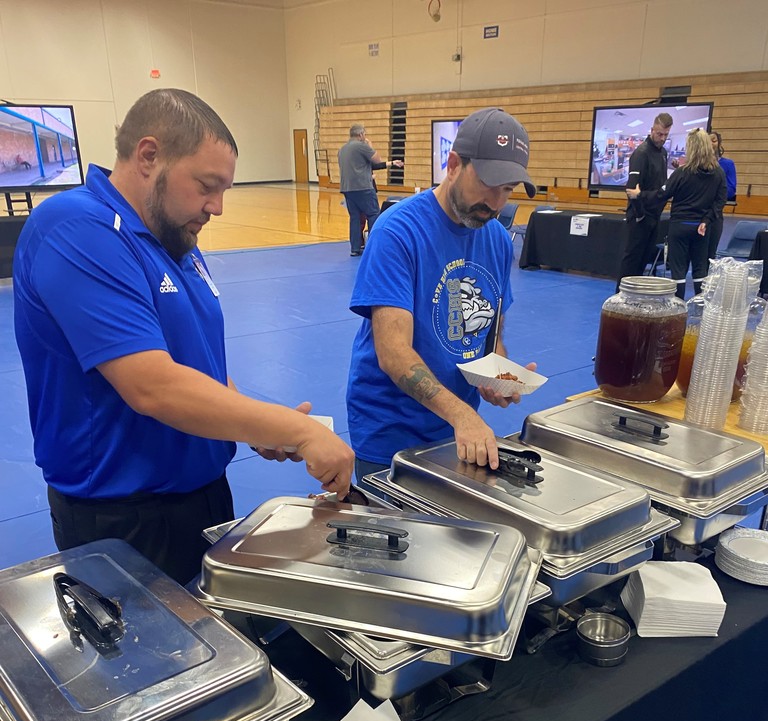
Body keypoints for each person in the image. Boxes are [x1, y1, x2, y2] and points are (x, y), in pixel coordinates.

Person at [13, 88, 353, 585]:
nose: (215, 207)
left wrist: (260, 425)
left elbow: (197, 362)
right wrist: (298, 431)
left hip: (203, 495)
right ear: (149, 156)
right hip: (125, 519)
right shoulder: (77, 228)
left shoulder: (174, 235)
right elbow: (154, 386)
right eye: (206, 186)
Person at [345, 106, 537, 483]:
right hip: (390, 436)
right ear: (452, 165)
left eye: (508, 190)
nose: (497, 203)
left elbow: (492, 338)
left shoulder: (497, 239)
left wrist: (498, 376)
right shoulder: (398, 231)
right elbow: (393, 353)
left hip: (454, 433)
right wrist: (463, 414)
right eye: (488, 184)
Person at [629, 127, 726, 301]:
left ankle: (678, 308)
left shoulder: (682, 173)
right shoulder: (718, 173)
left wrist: (639, 195)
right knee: (700, 270)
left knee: (678, 271)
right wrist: (707, 220)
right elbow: (720, 202)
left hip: (680, 226)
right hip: (701, 228)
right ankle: (700, 308)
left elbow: (661, 194)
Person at [616, 113, 673, 285]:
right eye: (659, 134)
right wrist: (640, 214)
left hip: (655, 215)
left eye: (665, 135)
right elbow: (632, 190)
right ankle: (621, 296)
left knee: (644, 260)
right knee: (632, 260)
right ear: (652, 130)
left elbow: (661, 184)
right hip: (639, 216)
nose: (662, 138)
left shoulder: (663, 152)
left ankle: (634, 296)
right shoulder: (641, 153)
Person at [338, 124, 403, 257]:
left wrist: (390, 163)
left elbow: (369, 165)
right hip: (363, 187)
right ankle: (375, 246)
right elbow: (376, 159)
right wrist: (369, 145)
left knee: (355, 218)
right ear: (361, 135)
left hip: (347, 188)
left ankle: (355, 248)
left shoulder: (342, 149)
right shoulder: (362, 146)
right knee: (373, 214)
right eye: (364, 135)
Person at [707, 131, 737, 261]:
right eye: (708, 141)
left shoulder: (728, 164)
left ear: (719, 143)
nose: (711, 144)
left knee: (710, 254)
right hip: (696, 213)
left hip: (715, 214)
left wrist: (714, 191)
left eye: (714, 140)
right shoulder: (698, 164)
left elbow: (731, 189)